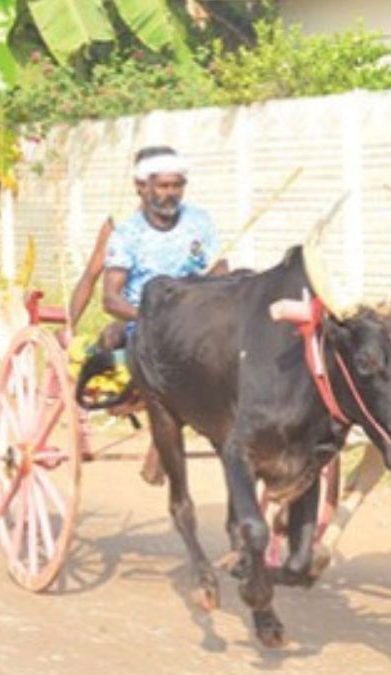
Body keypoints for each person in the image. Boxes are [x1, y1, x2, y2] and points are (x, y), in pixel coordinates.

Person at [100, 149, 228, 485]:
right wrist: (157, 317)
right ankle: (168, 436)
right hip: (148, 326)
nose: (171, 193)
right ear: (141, 187)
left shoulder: (199, 222)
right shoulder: (126, 235)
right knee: (179, 365)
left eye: (178, 186)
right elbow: (110, 298)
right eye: (163, 186)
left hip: (197, 319)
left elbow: (219, 268)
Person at [68, 146, 178, 328]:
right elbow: (90, 276)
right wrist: (70, 326)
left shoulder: (191, 224)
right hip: (140, 322)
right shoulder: (119, 225)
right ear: (140, 184)